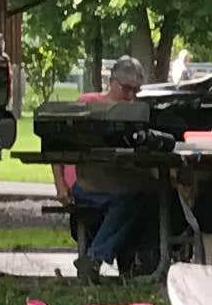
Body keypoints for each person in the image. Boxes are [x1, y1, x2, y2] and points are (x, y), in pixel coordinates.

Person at [60, 57, 168, 280]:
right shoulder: (88, 103)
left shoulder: (135, 113)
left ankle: (102, 259)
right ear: (112, 82)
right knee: (134, 199)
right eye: (126, 89)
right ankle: (98, 258)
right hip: (88, 184)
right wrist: (60, 184)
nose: (130, 96)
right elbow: (58, 144)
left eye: (135, 91)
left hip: (117, 183)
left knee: (149, 194)